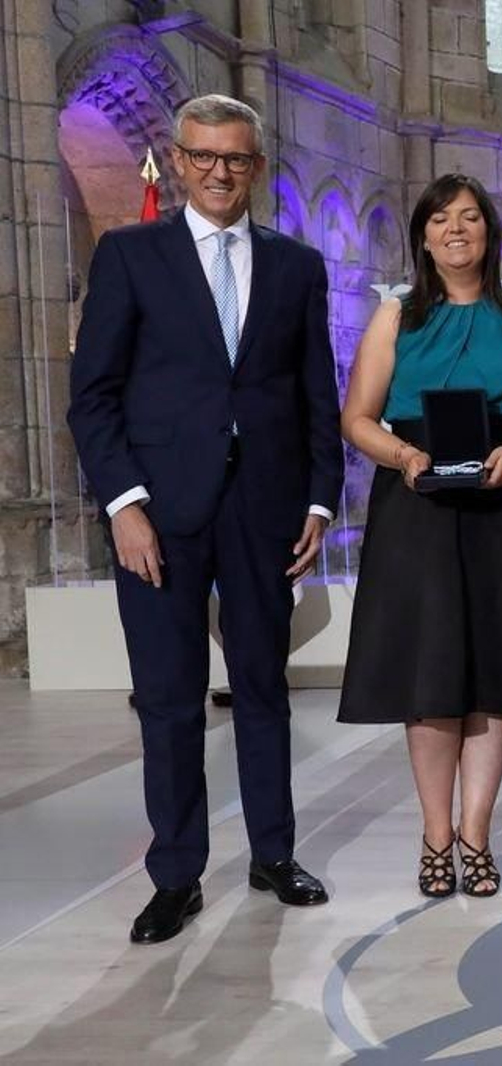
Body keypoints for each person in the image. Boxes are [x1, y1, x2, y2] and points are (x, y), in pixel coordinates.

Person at [67, 94, 343, 943]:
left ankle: (272, 853)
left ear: (256, 166)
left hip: (263, 514)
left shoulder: (296, 266)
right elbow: (94, 397)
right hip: (158, 516)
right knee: (169, 700)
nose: (221, 172)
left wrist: (320, 500)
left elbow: (313, 397)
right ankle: (176, 874)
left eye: (238, 158)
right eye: (205, 157)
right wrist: (123, 506)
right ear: (179, 161)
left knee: (263, 689)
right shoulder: (129, 255)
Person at [337, 173, 502, 898]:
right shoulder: (395, 318)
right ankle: (434, 836)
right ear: (423, 235)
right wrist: (403, 456)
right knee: (432, 677)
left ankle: (477, 836)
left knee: (493, 676)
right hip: (419, 505)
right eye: (441, 219)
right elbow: (357, 419)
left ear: (489, 233)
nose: (456, 230)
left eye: (469, 218)